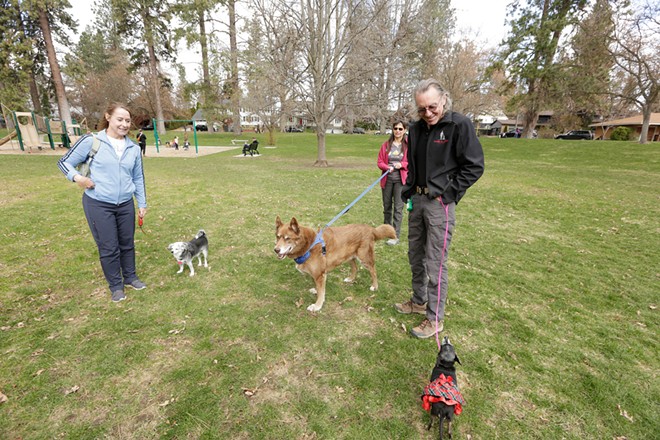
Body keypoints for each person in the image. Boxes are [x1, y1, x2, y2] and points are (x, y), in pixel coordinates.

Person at [395, 79, 485, 339]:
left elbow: (474, 166)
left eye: (432, 107)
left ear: (444, 100)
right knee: (415, 256)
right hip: (417, 202)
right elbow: (413, 163)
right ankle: (419, 300)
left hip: (439, 205)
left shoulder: (459, 125)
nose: (428, 113)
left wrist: (448, 195)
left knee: (435, 263)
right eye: (421, 109)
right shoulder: (415, 129)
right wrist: (409, 188)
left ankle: (434, 318)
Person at [57, 103, 148, 303]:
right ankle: (116, 286)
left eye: (127, 120)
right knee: (109, 247)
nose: (124, 124)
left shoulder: (133, 147)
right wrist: (77, 178)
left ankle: (131, 277)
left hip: (125, 204)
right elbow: (64, 163)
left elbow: (138, 177)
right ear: (108, 117)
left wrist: (141, 203)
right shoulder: (91, 141)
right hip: (98, 203)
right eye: (120, 119)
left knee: (127, 244)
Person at [377, 120, 409, 246]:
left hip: (400, 181)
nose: (398, 131)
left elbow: (411, 162)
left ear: (405, 130)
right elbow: (380, 162)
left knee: (398, 208)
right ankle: (386, 232)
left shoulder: (407, 146)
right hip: (387, 180)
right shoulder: (386, 145)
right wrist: (386, 167)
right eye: (396, 128)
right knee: (387, 207)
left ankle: (395, 235)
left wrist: (401, 164)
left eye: (401, 129)